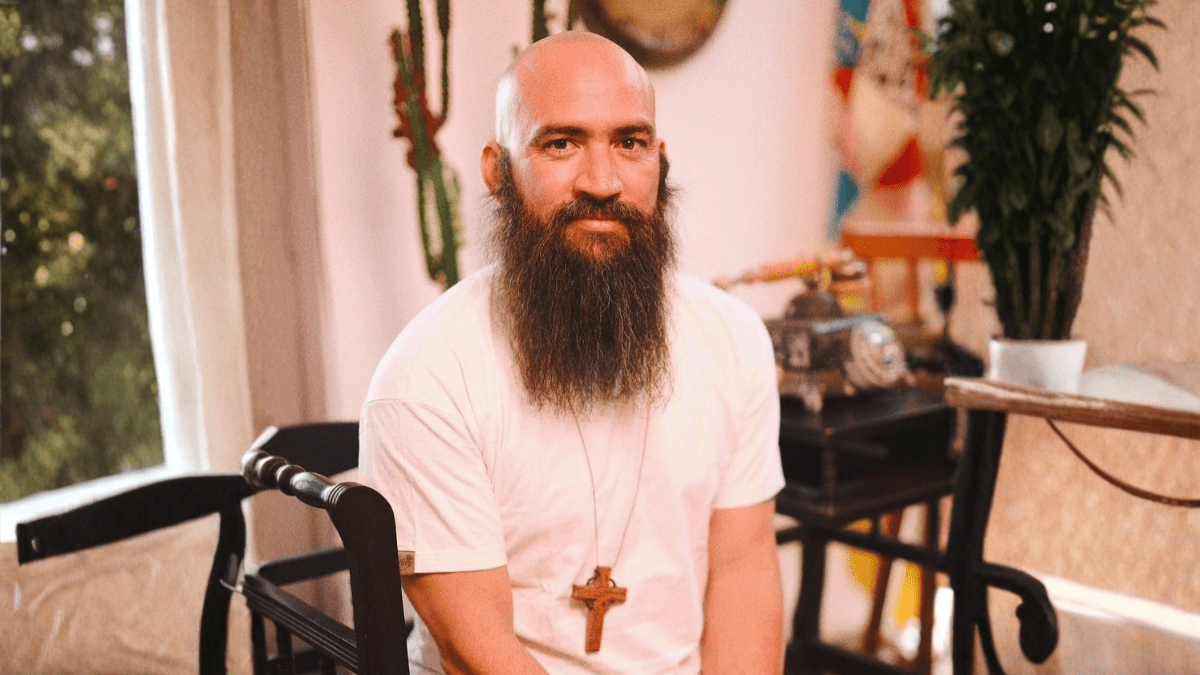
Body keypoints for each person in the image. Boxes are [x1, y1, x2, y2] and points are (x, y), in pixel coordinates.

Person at [359, 31, 785, 675]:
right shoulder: (426, 381)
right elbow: (476, 653)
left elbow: (744, 575)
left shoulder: (733, 339)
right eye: (561, 143)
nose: (603, 182)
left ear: (661, 162)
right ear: (498, 171)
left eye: (630, 142)